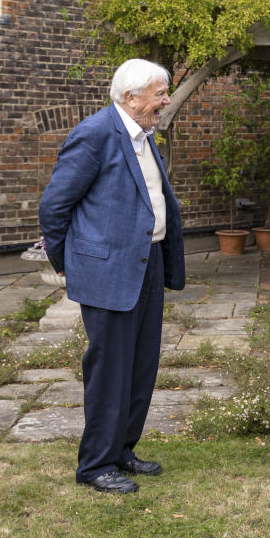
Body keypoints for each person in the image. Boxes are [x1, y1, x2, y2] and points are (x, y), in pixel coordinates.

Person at [39, 58, 185, 494]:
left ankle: (122, 450)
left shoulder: (143, 136)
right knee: (110, 369)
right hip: (108, 270)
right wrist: (66, 263)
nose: (165, 100)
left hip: (147, 262)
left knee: (141, 365)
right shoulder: (95, 133)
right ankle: (95, 466)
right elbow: (54, 206)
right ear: (130, 97)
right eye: (159, 93)